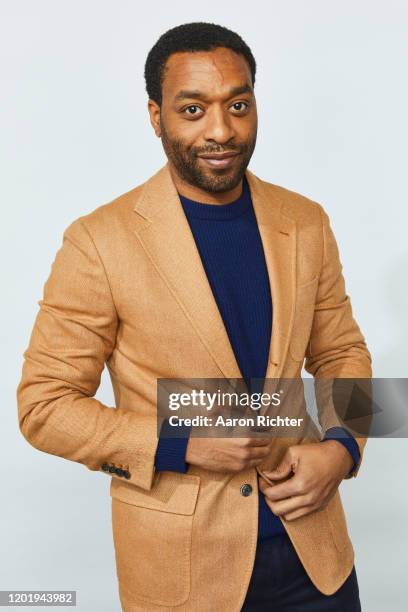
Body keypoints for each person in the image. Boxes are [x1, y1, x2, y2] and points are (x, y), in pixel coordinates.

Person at [17, 22, 372, 611]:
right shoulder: (99, 241)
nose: (221, 131)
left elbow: (342, 353)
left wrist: (342, 450)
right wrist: (180, 442)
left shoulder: (305, 220)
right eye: (192, 109)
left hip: (318, 558)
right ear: (156, 116)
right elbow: (43, 405)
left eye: (238, 105)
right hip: (183, 575)